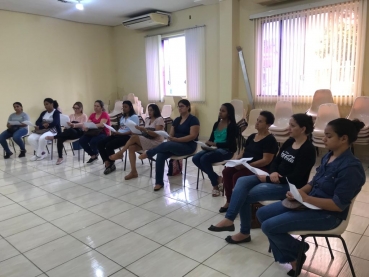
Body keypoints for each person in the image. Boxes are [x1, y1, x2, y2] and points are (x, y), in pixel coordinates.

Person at [257, 119, 366, 277]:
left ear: (344, 139)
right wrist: (299, 192)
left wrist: (305, 198)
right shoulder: (329, 156)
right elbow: (315, 181)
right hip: (311, 203)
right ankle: (297, 250)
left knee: (268, 226)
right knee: (262, 214)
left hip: (328, 215)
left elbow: (337, 205)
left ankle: (296, 254)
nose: (323, 139)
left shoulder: (351, 168)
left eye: (329, 136)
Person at [208, 114, 316, 245]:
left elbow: (297, 178)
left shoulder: (308, 150)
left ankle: (244, 232)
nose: (288, 128)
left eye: (292, 126)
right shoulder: (289, 142)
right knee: (242, 182)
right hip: (273, 177)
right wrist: (274, 172)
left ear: (303, 129)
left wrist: (269, 179)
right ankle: (230, 219)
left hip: (289, 187)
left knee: (245, 195)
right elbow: (276, 161)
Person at [220, 111, 278, 212]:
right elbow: (244, 150)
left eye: (260, 121)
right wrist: (237, 160)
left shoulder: (270, 140)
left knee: (237, 176)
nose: (257, 123)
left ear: (268, 125)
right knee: (227, 171)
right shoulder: (252, 136)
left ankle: (237, 203)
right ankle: (229, 201)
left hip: (259, 168)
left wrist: (246, 166)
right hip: (245, 164)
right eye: (257, 120)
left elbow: (266, 161)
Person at [139, 99, 200, 191]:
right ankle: (159, 182)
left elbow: (193, 136)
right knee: (161, 154)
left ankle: (149, 153)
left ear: (188, 107)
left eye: (182, 106)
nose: (180, 108)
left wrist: (177, 139)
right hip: (175, 144)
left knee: (166, 146)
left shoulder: (193, 119)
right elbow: (171, 134)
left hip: (188, 146)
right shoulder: (176, 120)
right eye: (179, 106)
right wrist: (170, 137)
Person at [192, 103, 238, 197]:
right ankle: (218, 178)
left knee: (204, 159)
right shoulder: (216, 124)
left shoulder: (232, 126)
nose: (220, 112)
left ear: (229, 113)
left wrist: (215, 144)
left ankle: (215, 186)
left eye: (223, 111)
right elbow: (211, 139)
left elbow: (230, 144)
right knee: (195, 158)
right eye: (220, 110)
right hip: (214, 149)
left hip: (226, 151)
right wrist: (206, 144)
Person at [109, 104, 165, 180]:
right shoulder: (147, 119)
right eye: (149, 110)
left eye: (151, 110)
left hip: (156, 142)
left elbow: (155, 134)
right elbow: (146, 133)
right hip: (147, 139)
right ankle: (133, 171)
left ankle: (120, 153)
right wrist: (137, 130)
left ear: (156, 110)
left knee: (134, 137)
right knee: (131, 147)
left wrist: (144, 129)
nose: (149, 112)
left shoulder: (159, 119)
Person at [97, 100, 139, 174]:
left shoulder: (134, 117)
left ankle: (111, 163)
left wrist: (121, 134)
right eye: (123, 107)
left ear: (130, 107)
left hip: (128, 137)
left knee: (109, 145)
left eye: (126, 107)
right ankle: (107, 162)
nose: (124, 108)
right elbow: (121, 128)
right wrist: (115, 132)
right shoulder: (122, 117)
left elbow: (134, 131)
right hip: (119, 134)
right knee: (100, 143)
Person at [79, 100, 111, 164]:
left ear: (101, 107)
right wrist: (86, 127)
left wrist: (92, 125)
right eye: (95, 106)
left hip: (103, 132)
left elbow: (101, 125)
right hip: (93, 132)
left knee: (93, 142)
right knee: (81, 140)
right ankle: (93, 155)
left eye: (97, 106)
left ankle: (96, 153)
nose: (95, 107)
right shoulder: (92, 115)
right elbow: (88, 123)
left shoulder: (104, 114)